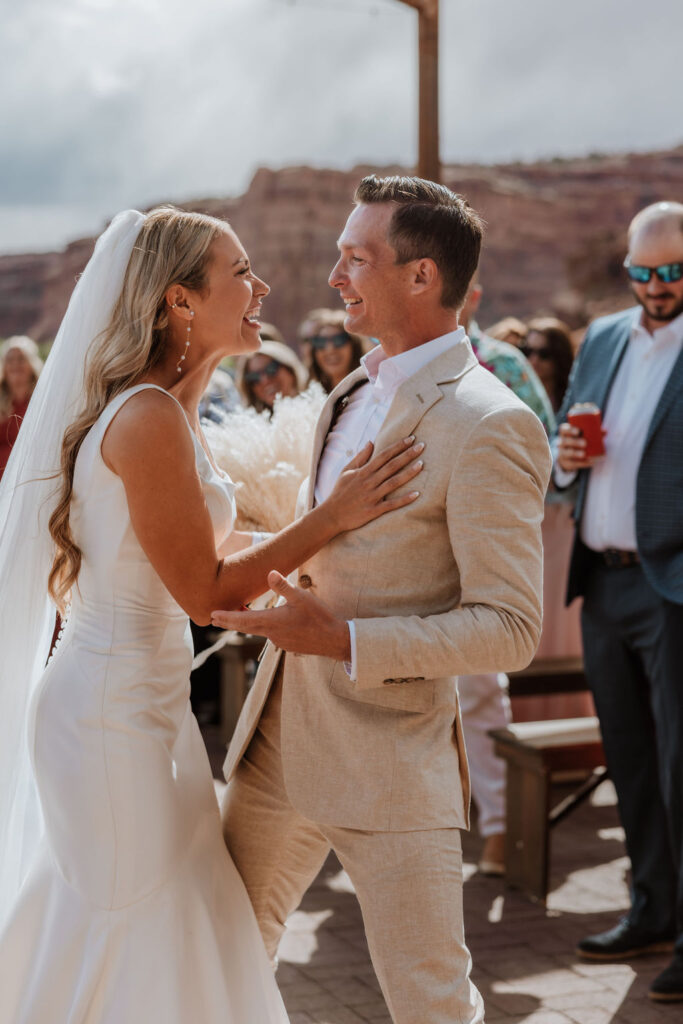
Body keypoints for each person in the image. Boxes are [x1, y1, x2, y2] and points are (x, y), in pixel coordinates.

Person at [0, 206, 423, 1023]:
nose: (261, 287)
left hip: (143, 710)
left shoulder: (170, 411)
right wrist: (331, 516)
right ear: (181, 302)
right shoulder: (147, 416)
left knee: (154, 915)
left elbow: (190, 546)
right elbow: (205, 593)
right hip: (108, 720)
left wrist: (327, 553)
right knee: (135, 926)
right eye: (241, 273)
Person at [214, 175, 552, 1024]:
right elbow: (322, 547)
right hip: (278, 736)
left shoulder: (491, 424)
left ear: (420, 277)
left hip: (391, 757)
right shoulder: (348, 392)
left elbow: (510, 628)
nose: (334, 276)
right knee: (223, 953)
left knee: (429, 1002)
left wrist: (344, 640)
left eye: (355, 258)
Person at [554, 201, 683, 1004]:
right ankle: (650, 910)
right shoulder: (600, 338)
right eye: (644, 272)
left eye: (673, 272)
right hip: (600, 581)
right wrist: (563, 457)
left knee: (680, 766)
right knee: (629, 760)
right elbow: (567, 444)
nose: (658, 286)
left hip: (672, 586)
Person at [453, 283, 556, 875]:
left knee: (481, 689)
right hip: (413, 546)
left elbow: (543, 443)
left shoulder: (502, 363)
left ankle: (499, 827)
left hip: (485, 544)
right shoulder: (388, 363)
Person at [0, 335, 43, 478]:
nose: (15, 364)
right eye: (10, 360)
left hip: (32, 480)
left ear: (32, 364)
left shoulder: (42, 401)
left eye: (21, 359)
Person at [300, 308, 370, 393]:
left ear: (354, 346)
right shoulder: (308, 396)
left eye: (339, 339)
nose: (330, 349)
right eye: (321, 342)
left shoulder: (372, 389)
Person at [236, 338, 307, 412]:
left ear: (290, 369)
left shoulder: (317, 409)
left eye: (271, 369)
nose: (264, 380)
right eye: (254, 377)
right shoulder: (252, 422)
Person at [522, 317, 575, 414]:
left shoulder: (574, 397)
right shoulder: (515, 394)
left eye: (544, 353)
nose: (534, 360)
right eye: (527, 351)